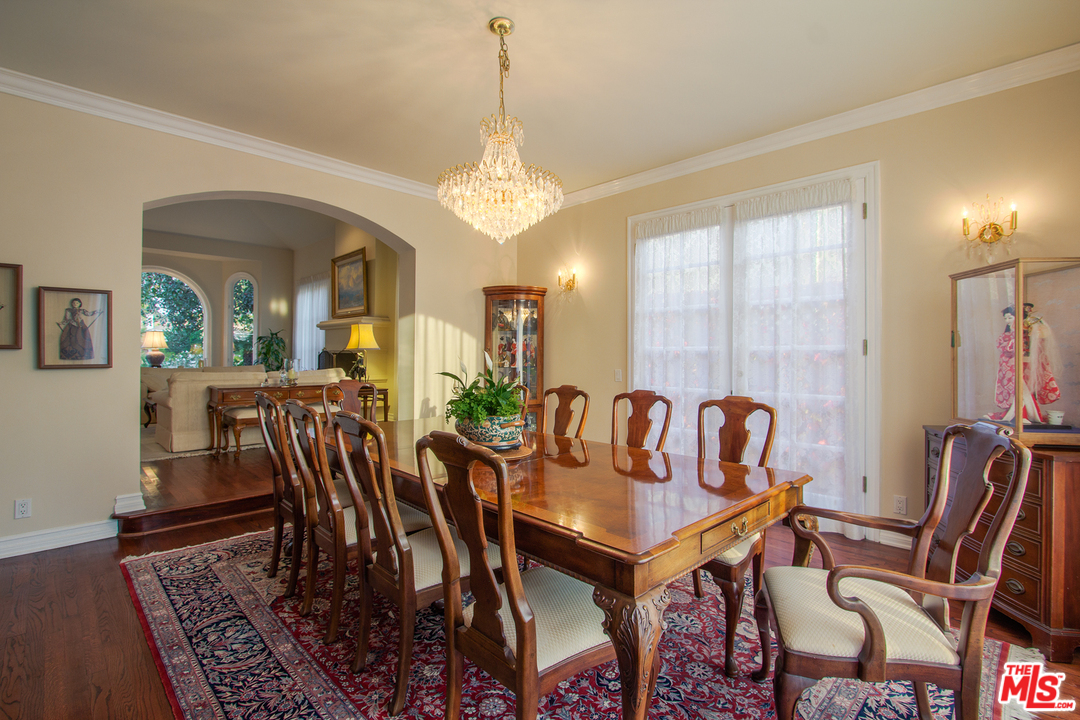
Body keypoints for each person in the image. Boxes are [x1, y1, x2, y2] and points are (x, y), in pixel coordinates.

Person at [991, 302, 1061, 423]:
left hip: (1028, 364)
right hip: (1013, 366)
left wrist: (1032, 334)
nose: (1007, 321)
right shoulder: (1007, 335)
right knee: (1020, 391)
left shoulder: (1030, 330)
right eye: (1006, 318)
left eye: (1010, 318)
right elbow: (1002, 346)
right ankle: (1021, 415)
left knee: (1028, 390)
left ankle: (1027, 415)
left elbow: (1039, 344)